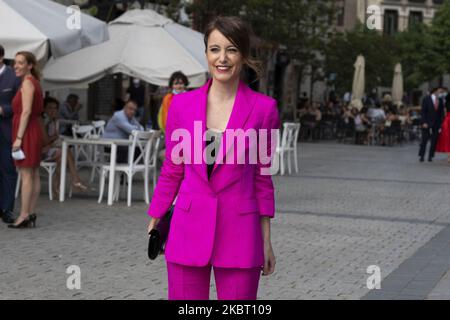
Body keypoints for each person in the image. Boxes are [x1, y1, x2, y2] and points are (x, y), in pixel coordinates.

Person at [147, 16, 279, 301]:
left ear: (243, 55)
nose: (223, 58)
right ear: (206, 53)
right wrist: (156, 217)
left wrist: (266, 241)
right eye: (215, 49)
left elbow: (263, 177)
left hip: (241, 235)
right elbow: (173, 168)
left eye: (231, 49)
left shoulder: (264, 110)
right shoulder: (181, 106)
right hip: (187, 230)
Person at [9, 51, 43, 229]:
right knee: (33, 173)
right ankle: (29, 212)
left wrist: (19, 138)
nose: (16, 66)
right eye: (15, 62)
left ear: (30, 65)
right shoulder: (34, 82)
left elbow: (26, 111)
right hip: (33, 129)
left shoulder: (28, 84)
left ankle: (24, 214)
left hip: (27, 131)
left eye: (20, 63)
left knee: (26, 174)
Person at [41, 97, 89, 196]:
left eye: (55, 108)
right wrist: (55, 138)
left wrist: (54, 139)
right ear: (44, 109)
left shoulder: (55, 121)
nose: (53, 110)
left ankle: (57, 189)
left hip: (51, 150)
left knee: (62, 158)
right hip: (40, 152)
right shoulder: (43, 121)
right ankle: (75, 179)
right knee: (65, 151)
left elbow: (53, 140)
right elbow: (44, 141)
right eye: (50, 108)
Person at [0, 44, 21, 224]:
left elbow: (21, 105)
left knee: (8, 171)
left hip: (6, 131)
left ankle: (7, 209)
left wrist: (3, 110)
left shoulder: (14, 77)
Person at [419, 87, 445, 162]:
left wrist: (441, 124)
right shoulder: (426, 99)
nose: (441, 93)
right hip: (426, 123)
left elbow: (441, 113)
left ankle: (430, 156)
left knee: (434, 141)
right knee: (424, 140)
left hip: (436, 124)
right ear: (435, 91)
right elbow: (423, 111)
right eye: (440, 92)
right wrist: (423, 122)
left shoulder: (440, 100)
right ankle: (422, 156)